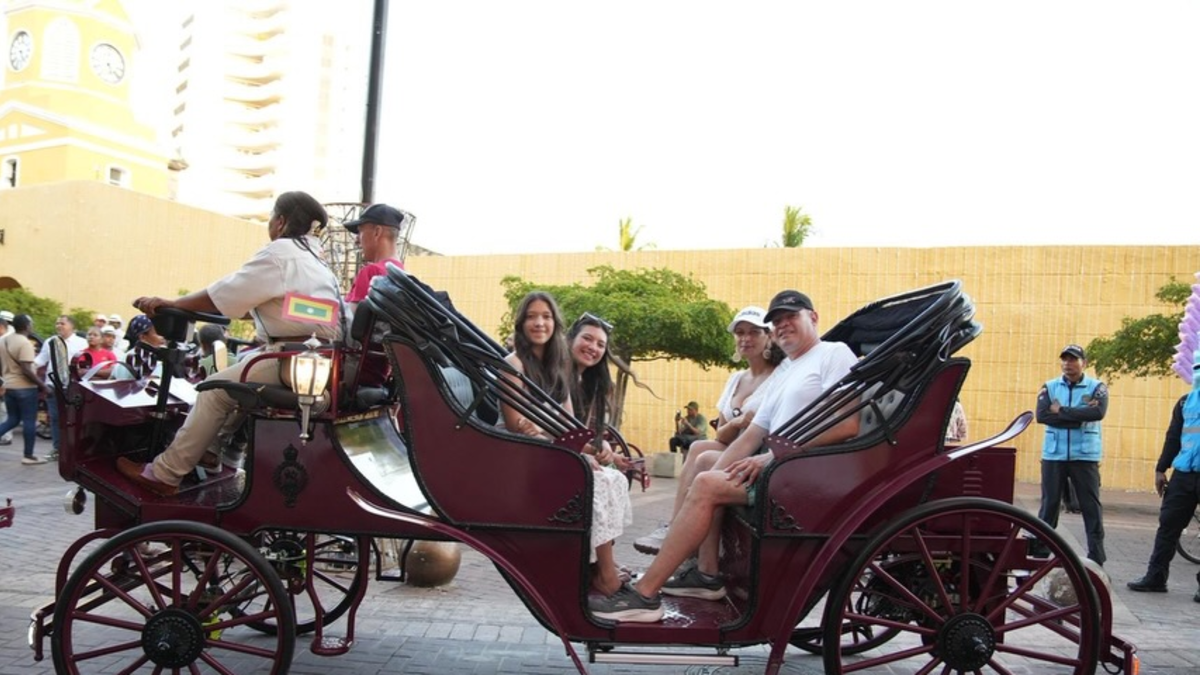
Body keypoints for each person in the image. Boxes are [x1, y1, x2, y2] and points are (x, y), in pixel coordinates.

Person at [590, 290, 859, 621]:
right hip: (780, 467)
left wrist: (773, 457)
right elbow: (753, 434)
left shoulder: (833, 353)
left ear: (813, 317)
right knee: (707, 475)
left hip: (805, 472)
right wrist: (712, 477)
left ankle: (644, 595)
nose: (783, 325)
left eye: (792, 316)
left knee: (707, 485)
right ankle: (705, 574)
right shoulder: (789, 368)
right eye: (777, 321)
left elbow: (848, 424)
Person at [118, 191, 343, 496]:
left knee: (213, 390)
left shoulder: (281, 253)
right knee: (242, 372)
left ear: (280, 221)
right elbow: (303, 311)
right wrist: (256, 309)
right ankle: (211, 452)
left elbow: (221, 294)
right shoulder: (317, 263)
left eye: (271, 218)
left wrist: (174, 303)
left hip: (294, 360)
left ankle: (164, 474)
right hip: (317, 357)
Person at [635, 305, 783, 555]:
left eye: (754, 332)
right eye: (740, 333)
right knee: (698, 446)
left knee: (703, 455)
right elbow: (721, 433)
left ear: (769, 336)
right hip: (733, 446)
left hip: (758, 451)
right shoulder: (736, 379)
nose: (745, 338)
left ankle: (682, 533)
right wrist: (737, 422)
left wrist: (744, 424)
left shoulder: (780, 376)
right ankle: (675, 525)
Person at [566, 311, 634, 594]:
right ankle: (606, 575)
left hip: (571, 453)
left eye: (600, 344)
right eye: (587, 339)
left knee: (614, 478)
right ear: (571, 339)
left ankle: (602, 564)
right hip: (552, 455)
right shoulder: (557, 377)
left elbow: (588, 432)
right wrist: (591, 451)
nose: (593, 347)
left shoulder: (591, 383)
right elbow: (558, 431)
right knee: (600, 480)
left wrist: (604, 448)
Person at [1031, 344, 1108, 565]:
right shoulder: (1050, 387)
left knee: (1090, 506)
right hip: (1054, 455)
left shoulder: (1097, 387)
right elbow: (1042, 416)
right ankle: (1040, 553)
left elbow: (1097, 412)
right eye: (1064, 359)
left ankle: (1097, 555)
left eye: (1073, 359)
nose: (1068, 364)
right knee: (1049, 505)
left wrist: (1062, 411)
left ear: (1084, 363)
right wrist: (1078, 418)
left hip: (1084, 456)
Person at [1127, 386, 1200, 598]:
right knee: (1168, 524)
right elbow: (1174, 437)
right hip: (1184, 474)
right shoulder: (1186, 402)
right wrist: (1161, 468)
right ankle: (1156, 577)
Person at [33, 315, 87, 459]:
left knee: (72, 418)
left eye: (62, 323)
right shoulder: (51, 341)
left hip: (73, 386)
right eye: (57, 323)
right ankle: (57, 449)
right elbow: (41, 360)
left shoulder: (81, 343)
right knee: (55, 418)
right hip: (53, 385)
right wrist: (27, 366)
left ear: (72, 326)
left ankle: (72, 449)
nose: (59, 326)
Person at [0, 314, 51, 464]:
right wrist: (43, 386)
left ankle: (28, 455)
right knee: (29, 421)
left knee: (12, 419)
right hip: (25, 388)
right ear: (27, 326)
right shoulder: (25, 343)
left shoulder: (4, 340)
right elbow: (26, 369)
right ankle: (28, 456)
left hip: (9, 386)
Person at [342, 203, 409, 309]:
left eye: (360, 232)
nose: (356, 240)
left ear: (377, 232)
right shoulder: (403, 275)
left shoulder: (372, 272)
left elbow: (352, 315)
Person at [0, 310, 13, 446]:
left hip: (4, 380)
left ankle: (6, 436)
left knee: (4, 410)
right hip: (6, 380)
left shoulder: (5, 341)